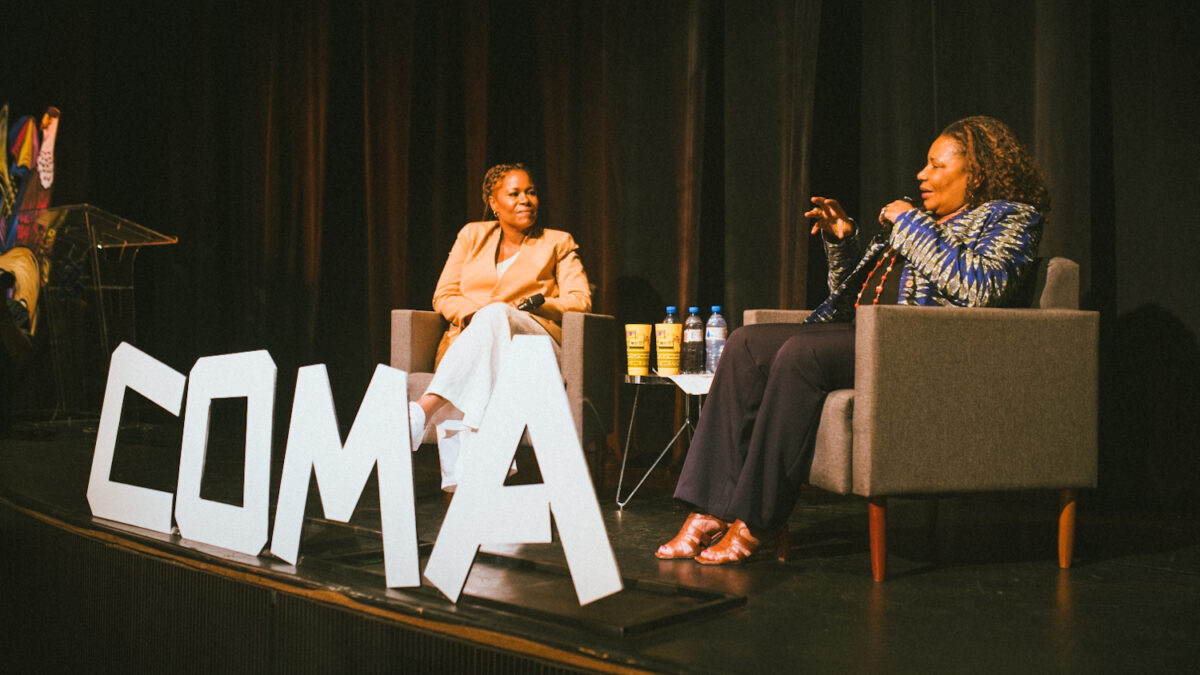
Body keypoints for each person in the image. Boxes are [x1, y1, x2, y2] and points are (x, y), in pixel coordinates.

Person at [657, 115, 1050, 564]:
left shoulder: (1012, 217)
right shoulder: (918, 219)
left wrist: (913, 227)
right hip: (867, 334)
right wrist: (842, 241)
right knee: (745, 344)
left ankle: (759, 521)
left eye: (936, 166)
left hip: (922, 347)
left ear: (975, 174)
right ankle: (709, 511)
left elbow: (982, 288)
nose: (921, 175)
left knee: (801, 354)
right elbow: (855, 294)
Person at [408, 163, 592, 495]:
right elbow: (444, 295)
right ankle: (477, 486)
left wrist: (534, 303)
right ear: (493, 202)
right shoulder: (471, 235)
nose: (526, 200)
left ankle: (424, 409)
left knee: (496, 315)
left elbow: (580, 301)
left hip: (535, 342)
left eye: (531, 192)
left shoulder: (557, 242)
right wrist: (482, 315)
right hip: (474, 341)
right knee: (490, 324)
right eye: (515, 193)